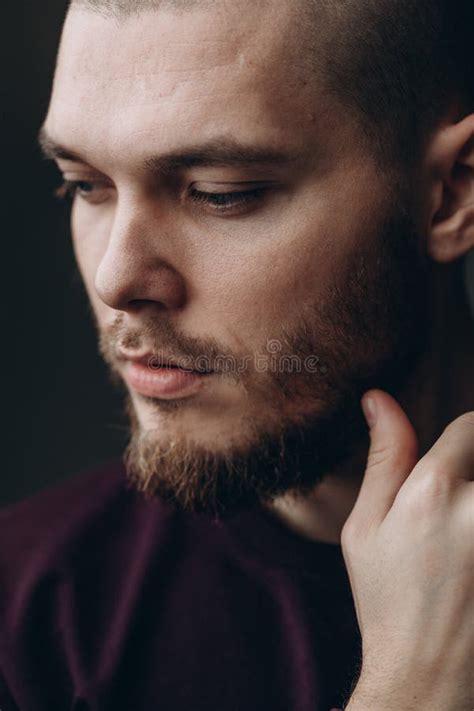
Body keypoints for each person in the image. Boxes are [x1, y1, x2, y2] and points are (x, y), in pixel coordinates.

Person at [1, 0, 473, 709]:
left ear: (450, 195)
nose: (116, 279)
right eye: (85, 185)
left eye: (222, 194)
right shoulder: (24, 621)